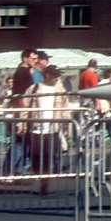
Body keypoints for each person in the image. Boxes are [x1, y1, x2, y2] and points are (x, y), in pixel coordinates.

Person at [29, 63, 67, 194]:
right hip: (37, 129)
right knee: (35, 157)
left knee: (48, 157)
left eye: (58, 76)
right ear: (47, 75)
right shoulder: (34, 89)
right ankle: (37, 177)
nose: (57, 78)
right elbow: (25, 107)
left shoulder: (61, 90)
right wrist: (21, 125)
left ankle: (44, 183)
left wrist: (66, 127)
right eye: (55, 76)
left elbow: (65, 109)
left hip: (53, 129)